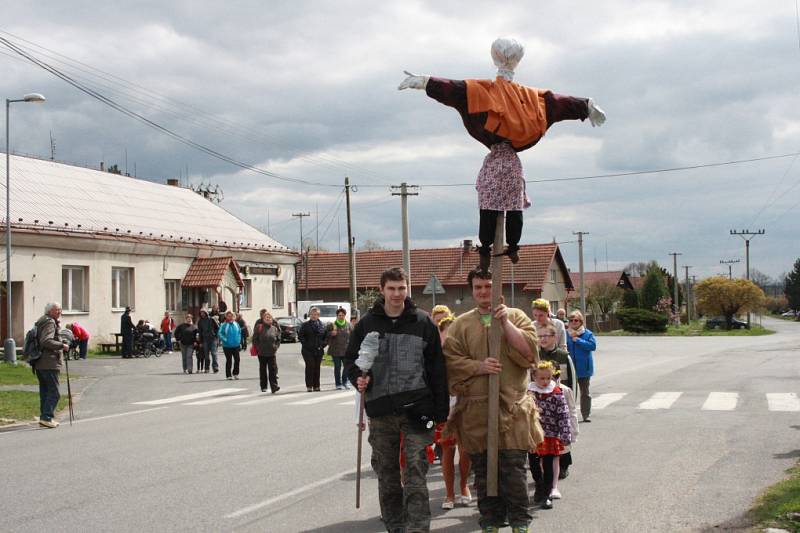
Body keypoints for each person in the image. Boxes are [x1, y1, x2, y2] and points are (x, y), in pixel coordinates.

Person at [399, 37, 606, 270]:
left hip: (496, 162)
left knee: (488, 205)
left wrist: (426, 82)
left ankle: (486, 249)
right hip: (512, 165)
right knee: (514, 206)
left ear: (494, 56)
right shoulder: (532, 98)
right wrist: (586, 106)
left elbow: (454, 90)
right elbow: (558, 103)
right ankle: (513, 247)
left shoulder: (482, 91)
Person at [344, 267, 449, 533]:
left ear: (408, 289)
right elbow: (351, 359)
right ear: (382, 290)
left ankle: (417, 528)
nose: (396, 293)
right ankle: (395, 527)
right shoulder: (367, 323)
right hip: (381, 410)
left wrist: (441, 412)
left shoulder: (423, 322)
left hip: (420, 410)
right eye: (391, 288)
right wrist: (358, 376)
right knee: (388, 475)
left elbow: (437, 368)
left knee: (416, 470)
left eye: (401, 288)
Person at [443, 267, 539, 533]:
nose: (484, 292)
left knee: (513, 468)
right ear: (472, 290)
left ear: (498, 289)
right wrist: (478, 367)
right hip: (477, 410)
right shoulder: (461, 324)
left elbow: (530, 352)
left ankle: (520, 522)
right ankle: (490, 521)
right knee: (484, 471)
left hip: (513, 408)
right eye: (478, 287)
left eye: (488, 286)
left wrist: (506, 323)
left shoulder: (517, 317)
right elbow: (451, 362)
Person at [431, 307, 473, 511]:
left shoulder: (464, 352)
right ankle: (449, 493)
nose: (447, 335)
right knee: (447, 451)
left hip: (465, 406)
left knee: (465, 451)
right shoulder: (434, 355)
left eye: (451, 330)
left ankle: (464, 485)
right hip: (444, 408)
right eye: (444, 331)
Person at [535, 324, 577, 481]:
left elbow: (571, 379)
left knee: (562, 434)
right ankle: (544, 466)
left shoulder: (563, 355)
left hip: (561, 397)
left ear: (555, 337)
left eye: (546, 336)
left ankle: (564, 464)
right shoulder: (536, 355)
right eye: (540, 336)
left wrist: (571, 399)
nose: (543, 339)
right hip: (543, 401)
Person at [528, 360, 571, 509]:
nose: (545, 381)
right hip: (532, 436)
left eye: (548, 378)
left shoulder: (556, 393)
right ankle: (539, 487)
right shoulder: (529, 392)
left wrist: (565, 435)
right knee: (534, 465)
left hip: (550, 436)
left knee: (548, 465)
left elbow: (564, 415)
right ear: (534, 377)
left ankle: (546, 494)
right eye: (542, 378)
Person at [33, 302, 70, 428]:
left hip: (40, 363)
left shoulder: (41, 321)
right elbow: (46, 341)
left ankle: (45, 417)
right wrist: (62, 345)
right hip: (49, 362)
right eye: (57, 310)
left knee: (45, 391)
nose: (59, 312)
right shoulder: (49, 322)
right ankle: (46, 417)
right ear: (49, 311)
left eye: (60, 309)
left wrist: (60, 340)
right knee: (54, 392)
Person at [566, 310, 597, 422]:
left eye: (576, 320)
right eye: (571, 320)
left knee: (585, 393)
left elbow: (592, 346)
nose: (573, 322)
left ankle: (585, 414)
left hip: (584, 368)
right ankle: (569, 415)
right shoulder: (565, 333)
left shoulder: (587, 333)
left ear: (581, 322)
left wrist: (578, 340)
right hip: (569, 368)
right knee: (569, 393)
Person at [252, 309, 281, 393]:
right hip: (262, 352)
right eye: (266, 318)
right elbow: (255, 339)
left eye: (269, 318)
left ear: (272, 319)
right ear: (263, 319)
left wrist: (276, 347)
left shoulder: (274, 328)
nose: (268, 319)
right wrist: (258, 347)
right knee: (263, 370)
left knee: (272, 370)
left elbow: (278, 339)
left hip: (272, 352)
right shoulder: (259, 327)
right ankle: (263, 386)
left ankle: (274, 386)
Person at [298, 306, 325, 392]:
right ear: (310, 315)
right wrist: (306, 344)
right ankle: (309, 386)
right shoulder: (305, 325)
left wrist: (323, 345)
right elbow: (300, 336)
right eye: (312, 314)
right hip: (307, 350)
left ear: (318, 315)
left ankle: (316, 385)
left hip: (319, 350)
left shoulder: (322, 325)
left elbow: (325, 337)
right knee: (310, 366)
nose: (314, 316)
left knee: (317, 367)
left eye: (316, 314)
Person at [325, 307, 352, 390]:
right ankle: (338, 384)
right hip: (335, 350)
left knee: (347, 367)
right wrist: (330, 334)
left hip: (346, 350)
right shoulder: (332, 325)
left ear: (345, 316)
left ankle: (345, 382)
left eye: (342, 315)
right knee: (337, 367)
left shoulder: (348, 325)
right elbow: (325, 335)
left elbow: (352, 336)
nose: (341, 316)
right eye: (339, 315)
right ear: (337, 316)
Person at [218, 311, 242, 380]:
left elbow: (239, 333)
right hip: (227, 346)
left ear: (233, 316)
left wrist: (239, 341)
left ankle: (235, 373)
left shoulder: (236, 324)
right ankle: (228, 375)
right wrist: (225, 340)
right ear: (226, 317)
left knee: (237, 359)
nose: (230, 317)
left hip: (236, 345)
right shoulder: (224, 325)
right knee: (229, 360)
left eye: (231, 316)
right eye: (228, 316)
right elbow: (220, 333)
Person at [197, 308, 220, 373]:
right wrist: (200, 342)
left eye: (203, 312)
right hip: (205, 339)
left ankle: (215, 367)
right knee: (206, 355)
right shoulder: (200, 321)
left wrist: (216, 336)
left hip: (213, 339)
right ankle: (207, 368)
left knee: (214, 353)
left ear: (206, 313)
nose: (202, 314)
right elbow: (200, 332)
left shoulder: (212, 319)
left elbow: (217, 328)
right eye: (201, 313)